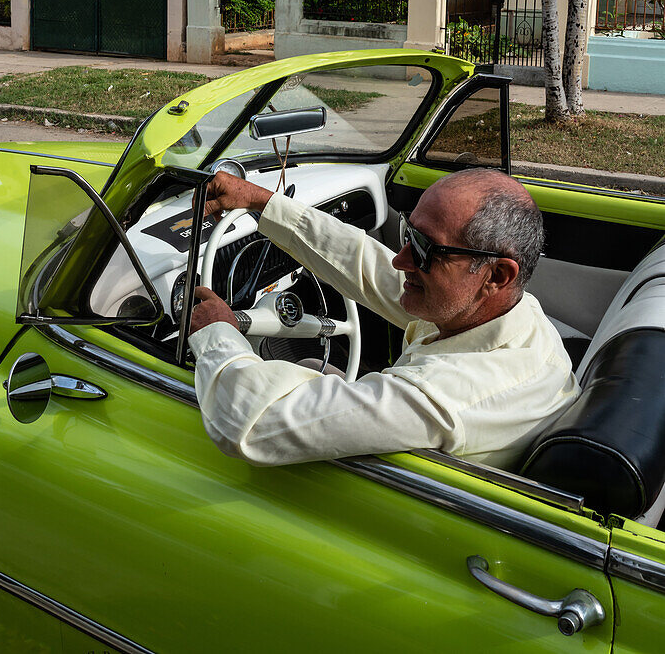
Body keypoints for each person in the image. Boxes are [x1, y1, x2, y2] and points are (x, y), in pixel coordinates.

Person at [189, 168, 579, 469]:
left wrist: (218, 332)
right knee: (311, 365)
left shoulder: (444, 397)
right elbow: (367, 266)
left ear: (496, 275)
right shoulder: (512, 313)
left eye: (426, 250)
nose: (401, 258)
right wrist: (262, 201)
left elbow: (247, 422)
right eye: (410, 233)